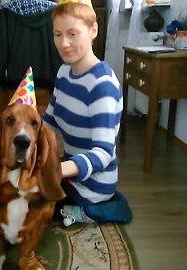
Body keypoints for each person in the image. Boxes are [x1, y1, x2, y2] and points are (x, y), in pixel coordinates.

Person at [43, 0, 132, 226]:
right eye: (57, 34)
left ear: (93, 30)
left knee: (35, 206)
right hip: (69, 170)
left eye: (73, 34)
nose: (64, 44)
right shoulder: (64, 72)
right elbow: (49, 121)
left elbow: (103, 153)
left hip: (93, 184)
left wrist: (55, 171)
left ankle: (91, 210)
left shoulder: (102, 86)